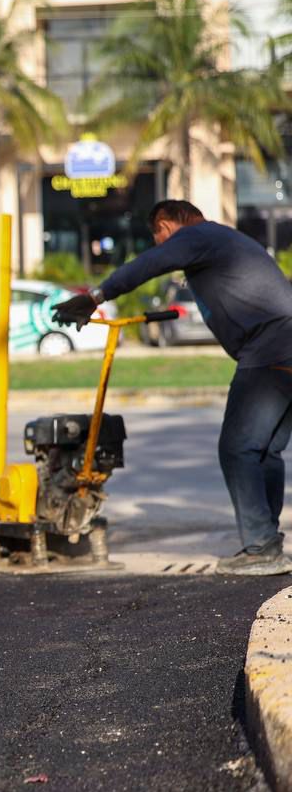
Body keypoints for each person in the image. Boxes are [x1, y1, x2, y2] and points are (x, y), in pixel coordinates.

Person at [54, 199, 292, 576]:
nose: (164, 245)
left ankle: (261, 548)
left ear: (165, 225)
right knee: (264, 451)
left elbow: (150, 263)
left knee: (238, 448)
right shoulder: (223, 239)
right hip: (283, 347)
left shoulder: (196, 236)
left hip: (271, 348)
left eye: (159, 237)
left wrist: (94, 297)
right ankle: (266, 542)